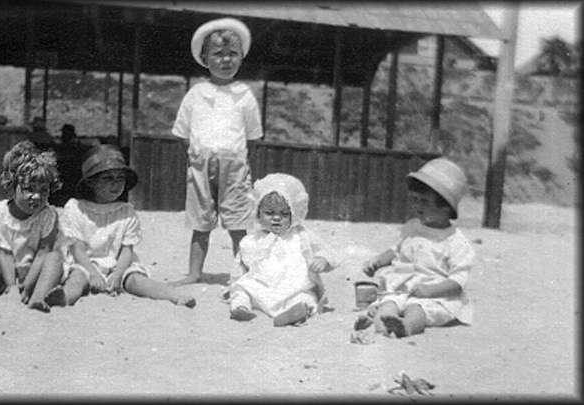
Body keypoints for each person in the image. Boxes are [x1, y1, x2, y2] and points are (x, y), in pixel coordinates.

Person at [170, 18, 263, 285]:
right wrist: (198, 158)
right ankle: (194, 272)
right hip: (200, 164)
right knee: (201, 222)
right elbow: (182, 133)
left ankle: (245, 273)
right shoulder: (196, 93)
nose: (226, 60)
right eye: (218, 54)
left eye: (233, 54)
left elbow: (253, 137)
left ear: (242, 57)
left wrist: (236, 161)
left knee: (237, 222)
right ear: (204, 57)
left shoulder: (244, 94)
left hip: (234, 166)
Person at [55, 144, 196, 308]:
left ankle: (174, 295)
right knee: (77, 278)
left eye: (120, 178)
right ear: (91, 182)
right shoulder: (76, 209)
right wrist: (93, 274)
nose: (115, 184)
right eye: (107, 179)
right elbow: (77, 250)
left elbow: (127, 250)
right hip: (86, 263)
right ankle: (64, 298)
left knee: (137, 280)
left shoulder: (126, 212)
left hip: (117, 263)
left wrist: (118, 274)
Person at [355, 157, 475, 338]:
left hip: (435, 294)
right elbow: (397, 250)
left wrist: (430, 291)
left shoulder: (455, 242)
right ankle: (381, 324)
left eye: (425, 202)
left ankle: (407, 326)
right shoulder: (412, 226)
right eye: (414, 199)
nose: (417, 205)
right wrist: (378, 261)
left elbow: (458, 282)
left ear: (446, 208)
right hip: (403, 287)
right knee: (389, 303)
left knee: (417, 309)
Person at [227, 173, 336, 327]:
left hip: (293, 287)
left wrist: (322, 260)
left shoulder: (301, 235)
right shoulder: (252, 240)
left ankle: (298, 312)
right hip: (260, 288)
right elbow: (239, 266)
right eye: (269, 213)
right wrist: (234, 283)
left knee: (306, 296)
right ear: (258, 213)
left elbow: (325, 249)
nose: (276, 218)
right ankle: (241, 307)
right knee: (242, 289)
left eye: (284, 214)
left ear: (295, 213)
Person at [0, 140, 66, 311]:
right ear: (12, 187)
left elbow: (43, 253)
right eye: (29, 189)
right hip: (3, 271)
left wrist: (28, 285)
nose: (36, 196)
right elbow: (4, 253)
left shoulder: (47, 216)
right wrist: (13, 287)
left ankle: (38, 297)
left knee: (55, 258)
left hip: (34, 272)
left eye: (43, 190)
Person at [50, 124, 87, 207]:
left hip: (73, 179)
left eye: (65, 133)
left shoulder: (75, 147)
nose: (63, 136)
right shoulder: (62, 147)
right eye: (64, 133)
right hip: (66, 180)